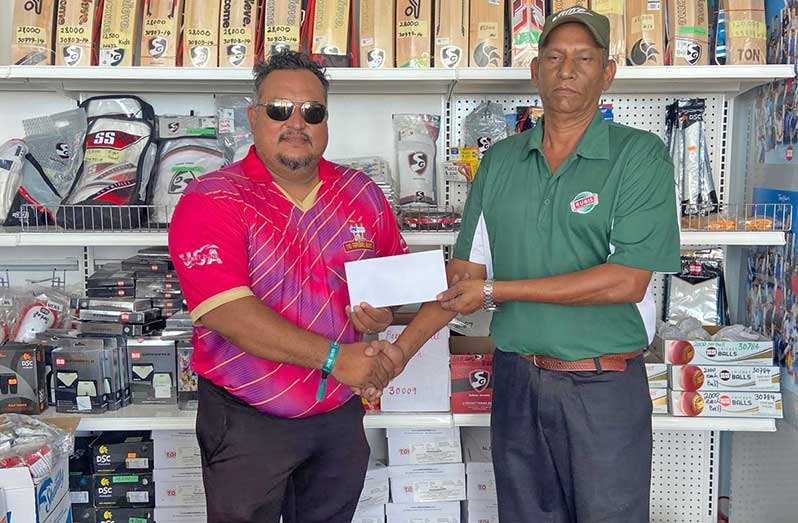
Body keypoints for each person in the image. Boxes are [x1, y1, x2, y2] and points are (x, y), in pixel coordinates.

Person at [369, 7, 680, 522]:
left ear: (607, 72)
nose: (567, 70)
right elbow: (464, 280)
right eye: (554, 57)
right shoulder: (500, 161)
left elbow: (626, 281)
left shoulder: (638, 156)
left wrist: (498, 291)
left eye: (584, 58)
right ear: (535, 70)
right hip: (517, 383)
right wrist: (399, 352)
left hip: (602, 386)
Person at [169, 50, 408, 523]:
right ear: (253, 117)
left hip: (338, 414)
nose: (296, 123)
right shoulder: (212, 198)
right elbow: (228, 312)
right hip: (247, 419)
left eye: (312, 112)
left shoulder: (361, 193)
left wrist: (384, 311)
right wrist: (336, 358)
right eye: (280, 109)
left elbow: (395, 282)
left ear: (326, 121)